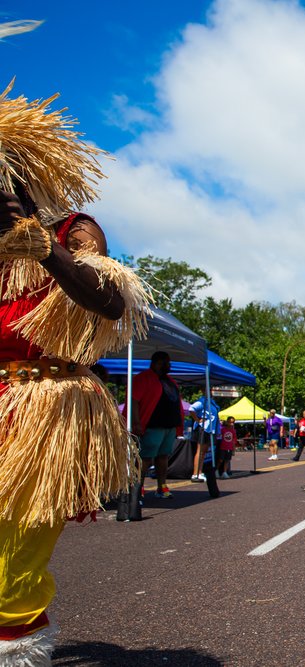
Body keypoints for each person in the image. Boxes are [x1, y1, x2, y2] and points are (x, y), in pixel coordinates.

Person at [0, 77, 149, 662]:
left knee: (14, 554)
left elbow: (112, 303)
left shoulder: (72, 229)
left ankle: (14, 648)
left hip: (46, 409)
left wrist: (39, 243)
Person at [131, 352, 185, 498]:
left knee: (163, 457)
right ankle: (138, 488)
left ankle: (162, 486)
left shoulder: (170, 381)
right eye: (167, 362)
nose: (169, 365)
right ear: (157, 362)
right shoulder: (143, 378)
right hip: (152, 425)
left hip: (169, 425)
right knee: (146, 458)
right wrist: (136, 422)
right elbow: (134, 400)